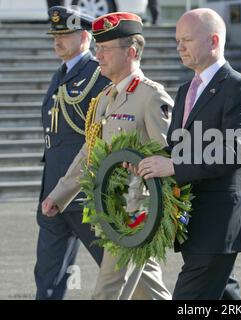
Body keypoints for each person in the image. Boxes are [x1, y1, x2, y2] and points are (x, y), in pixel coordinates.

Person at [127, 8, 241, 300]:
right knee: (224, 294)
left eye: (186, 39)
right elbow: (177, 146)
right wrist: (143, 161)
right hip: (193, 218)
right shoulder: (186, 88)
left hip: (219, 221)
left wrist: (173, 165)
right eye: (178, 40)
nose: (179, 46)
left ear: (214, 41)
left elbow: (235, 150)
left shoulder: (239, 88)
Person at [41, 12, 173, 300]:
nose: (97, 54)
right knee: (147, 291)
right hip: (111, 210)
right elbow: (89, 151)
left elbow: (169, 156)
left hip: (136, 214)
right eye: (97, 47)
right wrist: (60, 194)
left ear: (132, 52)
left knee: (107, 291)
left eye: (105, 48)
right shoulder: (105, 98)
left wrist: (153, 212)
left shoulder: (152, 97)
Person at [35, 6, 110, 300]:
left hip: (84, 191)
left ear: (85, 37)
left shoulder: (97, 75)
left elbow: (100, 133)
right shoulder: (62, 73)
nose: (58, 40)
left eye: (65, 34)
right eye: (55, 34)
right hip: (54, 188)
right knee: (48, 274)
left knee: (114, 267)